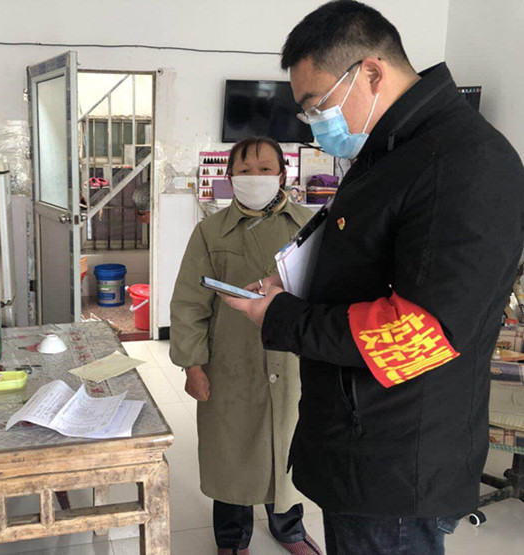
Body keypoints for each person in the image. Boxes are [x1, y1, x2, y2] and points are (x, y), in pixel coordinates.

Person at [220, 2, 524, 554]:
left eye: (316, 105)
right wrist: (292, 288)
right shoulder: (394, 151)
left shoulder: (464, 163)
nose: (314, 124)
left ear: (371, 73)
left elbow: (423, 332)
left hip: (395, 458)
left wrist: (283, 316)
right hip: (359, 436)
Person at [170, 137, 322, 555]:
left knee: (290, 449)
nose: (255, 177)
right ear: (230, 176)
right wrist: (193, 366)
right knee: (231, 452)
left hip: (293, 362)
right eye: (245, 170)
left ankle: (289, 529)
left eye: (265, 169)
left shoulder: (309, 225)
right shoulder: (210, 231)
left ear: (282, 175)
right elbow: (189, 303)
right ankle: (232, 539)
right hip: (231, 363)